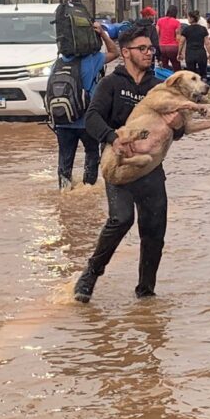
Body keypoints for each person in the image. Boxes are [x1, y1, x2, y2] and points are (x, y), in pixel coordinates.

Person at [73, 28, 185, 302]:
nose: (150, 53)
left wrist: (178, 124)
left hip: (149, 167)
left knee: (154, 230)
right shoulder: (111, 84)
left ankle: (146, 293)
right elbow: (92, 118)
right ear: (125, 53)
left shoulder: (158, 87)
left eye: (151, 48)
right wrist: (112, 138)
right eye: (143, 48)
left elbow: (179, 131)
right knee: (121, 219)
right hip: (119, 164)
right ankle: (90, 274)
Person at [53, 22, 119, 190]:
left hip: (62, 120)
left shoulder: (58, 62)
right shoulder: (93, 60)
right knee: (91, 154)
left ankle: (64, 191)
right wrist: (104, 34)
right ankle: (88, 188)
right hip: (87, 120)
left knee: (65, 159)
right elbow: (114, 52)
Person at [178, 10, 209, 80]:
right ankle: (203, 86)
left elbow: (181, 42)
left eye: (188, 17)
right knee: (203, 73)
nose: (187, 19)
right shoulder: (203, 29)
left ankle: (193, 89)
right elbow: (207, 43)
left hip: (190, 54)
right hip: (201, 53)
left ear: (192, 18)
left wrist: (179, 53)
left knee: (191, 74)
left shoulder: (186, 29)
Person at [155, 6, 182, 71]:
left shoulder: (159, 21)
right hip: (173, 47)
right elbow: (178, 37)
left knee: (164, 66)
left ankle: (165, 78)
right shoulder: (177, 22)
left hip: (162, 47)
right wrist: (180, 51)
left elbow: (156, 33)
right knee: (176, 66)